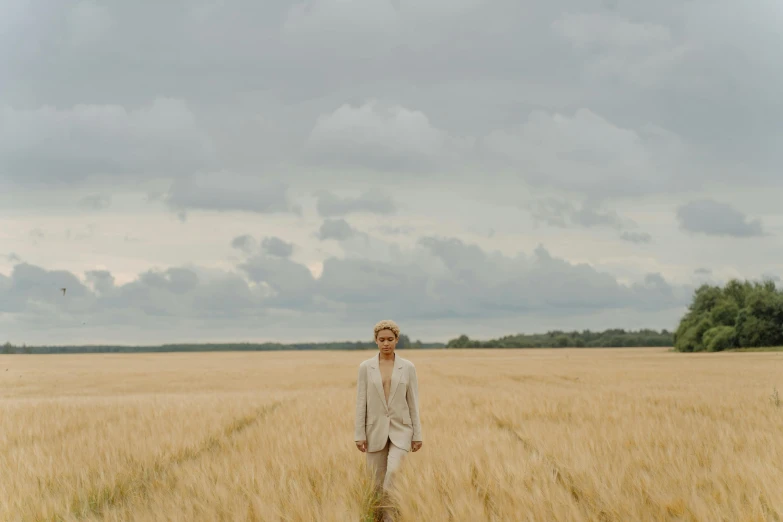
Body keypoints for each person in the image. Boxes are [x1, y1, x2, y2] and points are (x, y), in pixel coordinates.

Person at [354, 319, 423, 520]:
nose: (386, 343)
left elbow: (413, 402)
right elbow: (361, 402)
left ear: (397, 340)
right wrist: (359, 434)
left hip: (402, 430)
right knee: (376, 482)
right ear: (376, 340)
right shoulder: (366, 367)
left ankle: (390, 518)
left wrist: (417, 435)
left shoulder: (408, 367)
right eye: (382, 339)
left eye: (390, 339)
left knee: (393, 473)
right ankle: (378, 515)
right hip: (373, 430)